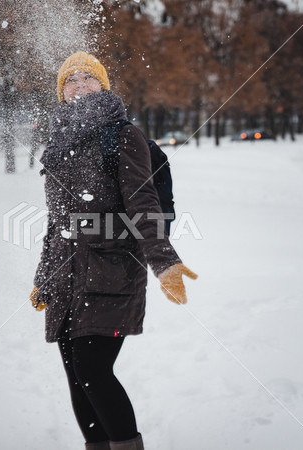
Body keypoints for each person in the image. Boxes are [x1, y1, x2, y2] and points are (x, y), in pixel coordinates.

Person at [30, 51, 198, 450]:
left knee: (93, 370)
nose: (80, 84)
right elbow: (57, 224)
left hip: (111, 274)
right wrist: (43, 278)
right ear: (61, 92)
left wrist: (165, 263)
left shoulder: (122, 135)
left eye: (90, 78)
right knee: (76, 375)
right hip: (68, 280)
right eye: (71, 80)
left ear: (103, 86)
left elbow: (143, 203)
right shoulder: (58, 146)